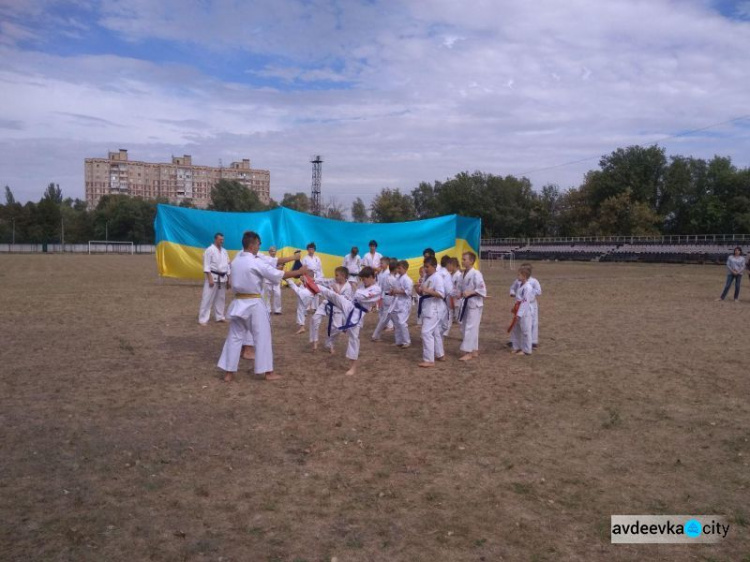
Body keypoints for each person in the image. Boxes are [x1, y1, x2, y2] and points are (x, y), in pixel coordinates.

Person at [217, 231, 309, 382]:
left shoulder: (236, 261)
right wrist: (299, 271)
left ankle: (229, 373)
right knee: (263, 336)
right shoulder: (254, 262)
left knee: (234, 337)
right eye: (259, 244)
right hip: (254, 303)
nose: (259, 247)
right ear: (252, 245)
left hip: (238, 302)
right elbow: (276, 275)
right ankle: (268, 372)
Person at [306, 266, 382, 376]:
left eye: (364, 279)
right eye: (361, 279)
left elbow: (360, 296)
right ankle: (312, 285)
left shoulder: (376, 289)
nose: (363, 281)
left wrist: (355, 288)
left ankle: (353, 367)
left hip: (357, 314)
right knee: (334, 296)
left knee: (353, 338)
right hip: (351, 305)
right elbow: (355, 295)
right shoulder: (363, 285)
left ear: (371, 277)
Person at [310, 266, 353, 352]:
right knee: (314, 318)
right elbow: (323, 280)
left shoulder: (348, 287)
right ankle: (315, 341)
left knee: (337, 328)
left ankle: (330, 343)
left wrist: (336, 290)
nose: (335, 277)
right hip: (327, 303)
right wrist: (311, 279)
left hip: (338, 308)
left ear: (343, 275)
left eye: (337, 275)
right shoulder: (333, 281)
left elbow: (343, 300)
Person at [417, 256, 446, 367]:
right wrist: (418, 289)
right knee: (435, 332)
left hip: (434, 309)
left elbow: (441, 294)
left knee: (426, 333)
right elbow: (423, 293)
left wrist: (427, 290)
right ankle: (440, 354)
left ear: (434, 266)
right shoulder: (426, 277)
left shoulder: (437, 277)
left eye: (427, 267)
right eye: (424, 266)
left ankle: (429, 359)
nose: (425, 269)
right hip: (427, 307)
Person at [458, 251, 487, 361]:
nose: (462, 261)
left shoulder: (476, 274)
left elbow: (482, 289)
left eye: (464, 259)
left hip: (474, 304)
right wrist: (459, 293)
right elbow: (460, 288)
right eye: (462, 259)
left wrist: (470, 292)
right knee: (468, 327)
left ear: (471, 261)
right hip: (466, 303)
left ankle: (468, 352)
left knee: (470, 327)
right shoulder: (463, 273)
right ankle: (474, 349)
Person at [199, 232, 230, 325]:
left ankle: (220, 316)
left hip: (223, 277)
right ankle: (203, 319)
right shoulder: (209, 250)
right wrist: (210, 278)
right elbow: (206, 265)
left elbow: (228, 265)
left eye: (223, 240)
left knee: (221, 298)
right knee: (207, 298)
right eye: (220, 239)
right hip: (213, 277)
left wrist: (229, 278)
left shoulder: (224, 251)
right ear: (215, 239)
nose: (222, 241)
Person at [387, 260, 413, 348]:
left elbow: (408, 292)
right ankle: (398, 341)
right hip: (397, 301)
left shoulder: (407, 279)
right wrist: (392, 292)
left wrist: (397, 291)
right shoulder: (398, 278)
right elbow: (395, 288)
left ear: (405, 268)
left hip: (404, 303)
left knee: (402, 322)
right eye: (397, 268)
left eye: (400, 268)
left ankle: (406, 341)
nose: (398, 270)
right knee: (397, 322)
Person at [510, 264, 534, 356]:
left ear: (524, 276)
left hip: (525, 311)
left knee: (525, 330)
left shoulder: (528, 287)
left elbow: (525, 301)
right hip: (518, 308)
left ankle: (527, 350)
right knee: (516, 329)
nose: (517, 276)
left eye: (519, 275)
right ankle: (517, 347)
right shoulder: (520, 284)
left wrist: (519, 313)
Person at [372, 258, 396, 341]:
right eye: (380, 263)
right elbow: (380, 286)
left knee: (392, 315)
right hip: (386, 295)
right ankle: (376, 335)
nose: (380, 264)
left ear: (387, 264)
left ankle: (392, 327)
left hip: (388, 296)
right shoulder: (383, 273)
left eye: (382, 263)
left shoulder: (388, 273)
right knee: (384, 315)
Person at [263, 246, 283, 315]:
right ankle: (268, 309)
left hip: (276, 279)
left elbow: (281, 269)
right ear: (269, 252)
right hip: (268, 279)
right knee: (267, 295)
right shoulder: (266, 260)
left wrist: (280, 268)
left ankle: (277, 310)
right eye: (271, 251)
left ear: (276, 252)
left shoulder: (278, 260)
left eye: (274, 251)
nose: (273, 252)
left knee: (278, 294)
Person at [438, 255, 454, 337]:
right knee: (445, 318)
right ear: (448, 264)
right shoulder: (447, 274)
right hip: (443, 298)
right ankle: (444, 333)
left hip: (435, 299)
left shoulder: (437, 272)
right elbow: (449, 290)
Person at [450, 257, 463, 324]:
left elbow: (459, 286)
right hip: (452, 294)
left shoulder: (458, 275)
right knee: (452, 306)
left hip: (457, 293)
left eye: (450, 265)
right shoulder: (451, 274)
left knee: (457, 306)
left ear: (454, 265)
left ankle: (458, 318)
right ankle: (454, 317)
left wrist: (459, 293)